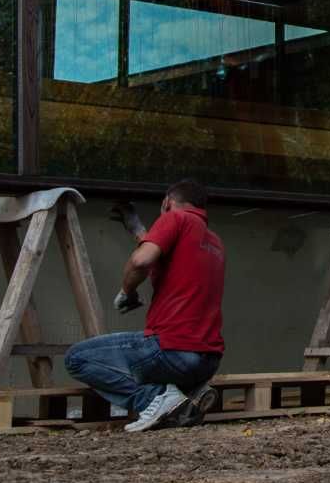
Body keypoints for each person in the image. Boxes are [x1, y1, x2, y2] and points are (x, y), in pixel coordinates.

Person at [64, 179, 225, 432]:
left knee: (77, 358)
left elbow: (141, 261)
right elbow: (165, 256)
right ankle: (187, 395)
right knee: (144, 360)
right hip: (207, 360)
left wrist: (127, 291)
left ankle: (154, 399)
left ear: (167, 203)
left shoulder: (175, 218)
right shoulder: (214, 241)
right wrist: (136, 227)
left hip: (173, 351)